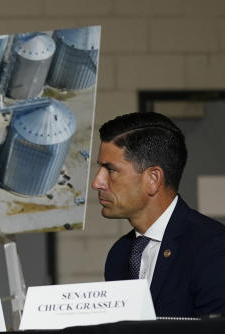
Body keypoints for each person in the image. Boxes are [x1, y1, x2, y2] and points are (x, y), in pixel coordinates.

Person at [96, 112, 225, 317]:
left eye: (110, 170)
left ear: (153, 179)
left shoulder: (213, 249)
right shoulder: (119, 254)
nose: (97, 182)